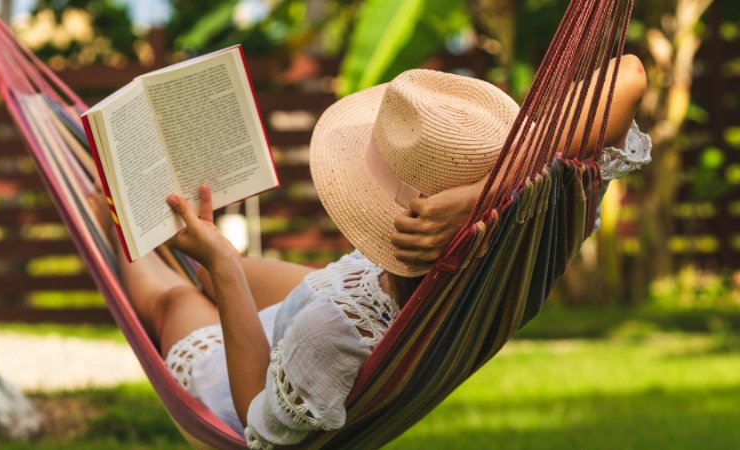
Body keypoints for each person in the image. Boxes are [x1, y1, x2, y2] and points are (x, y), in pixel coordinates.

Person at [89, 55, 651, 449]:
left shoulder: (330, 336)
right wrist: (486, 194)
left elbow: (260, 427)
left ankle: (108, 220)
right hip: (349, 290)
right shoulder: (531, 227)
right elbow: (629, 74)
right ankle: (191, 251)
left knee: (177, 298)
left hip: (258, 371)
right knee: (207, 272)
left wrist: (223, 264)